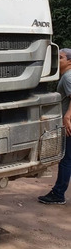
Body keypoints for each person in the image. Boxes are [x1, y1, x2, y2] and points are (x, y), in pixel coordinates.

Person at [38, 48, 71, 205]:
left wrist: (67, 116)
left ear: (69, 61)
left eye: (61, 57)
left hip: (69, 125)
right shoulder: (66, 76)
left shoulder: (68, 77)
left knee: (66, 159)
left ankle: (58, 194)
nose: (57, 60)